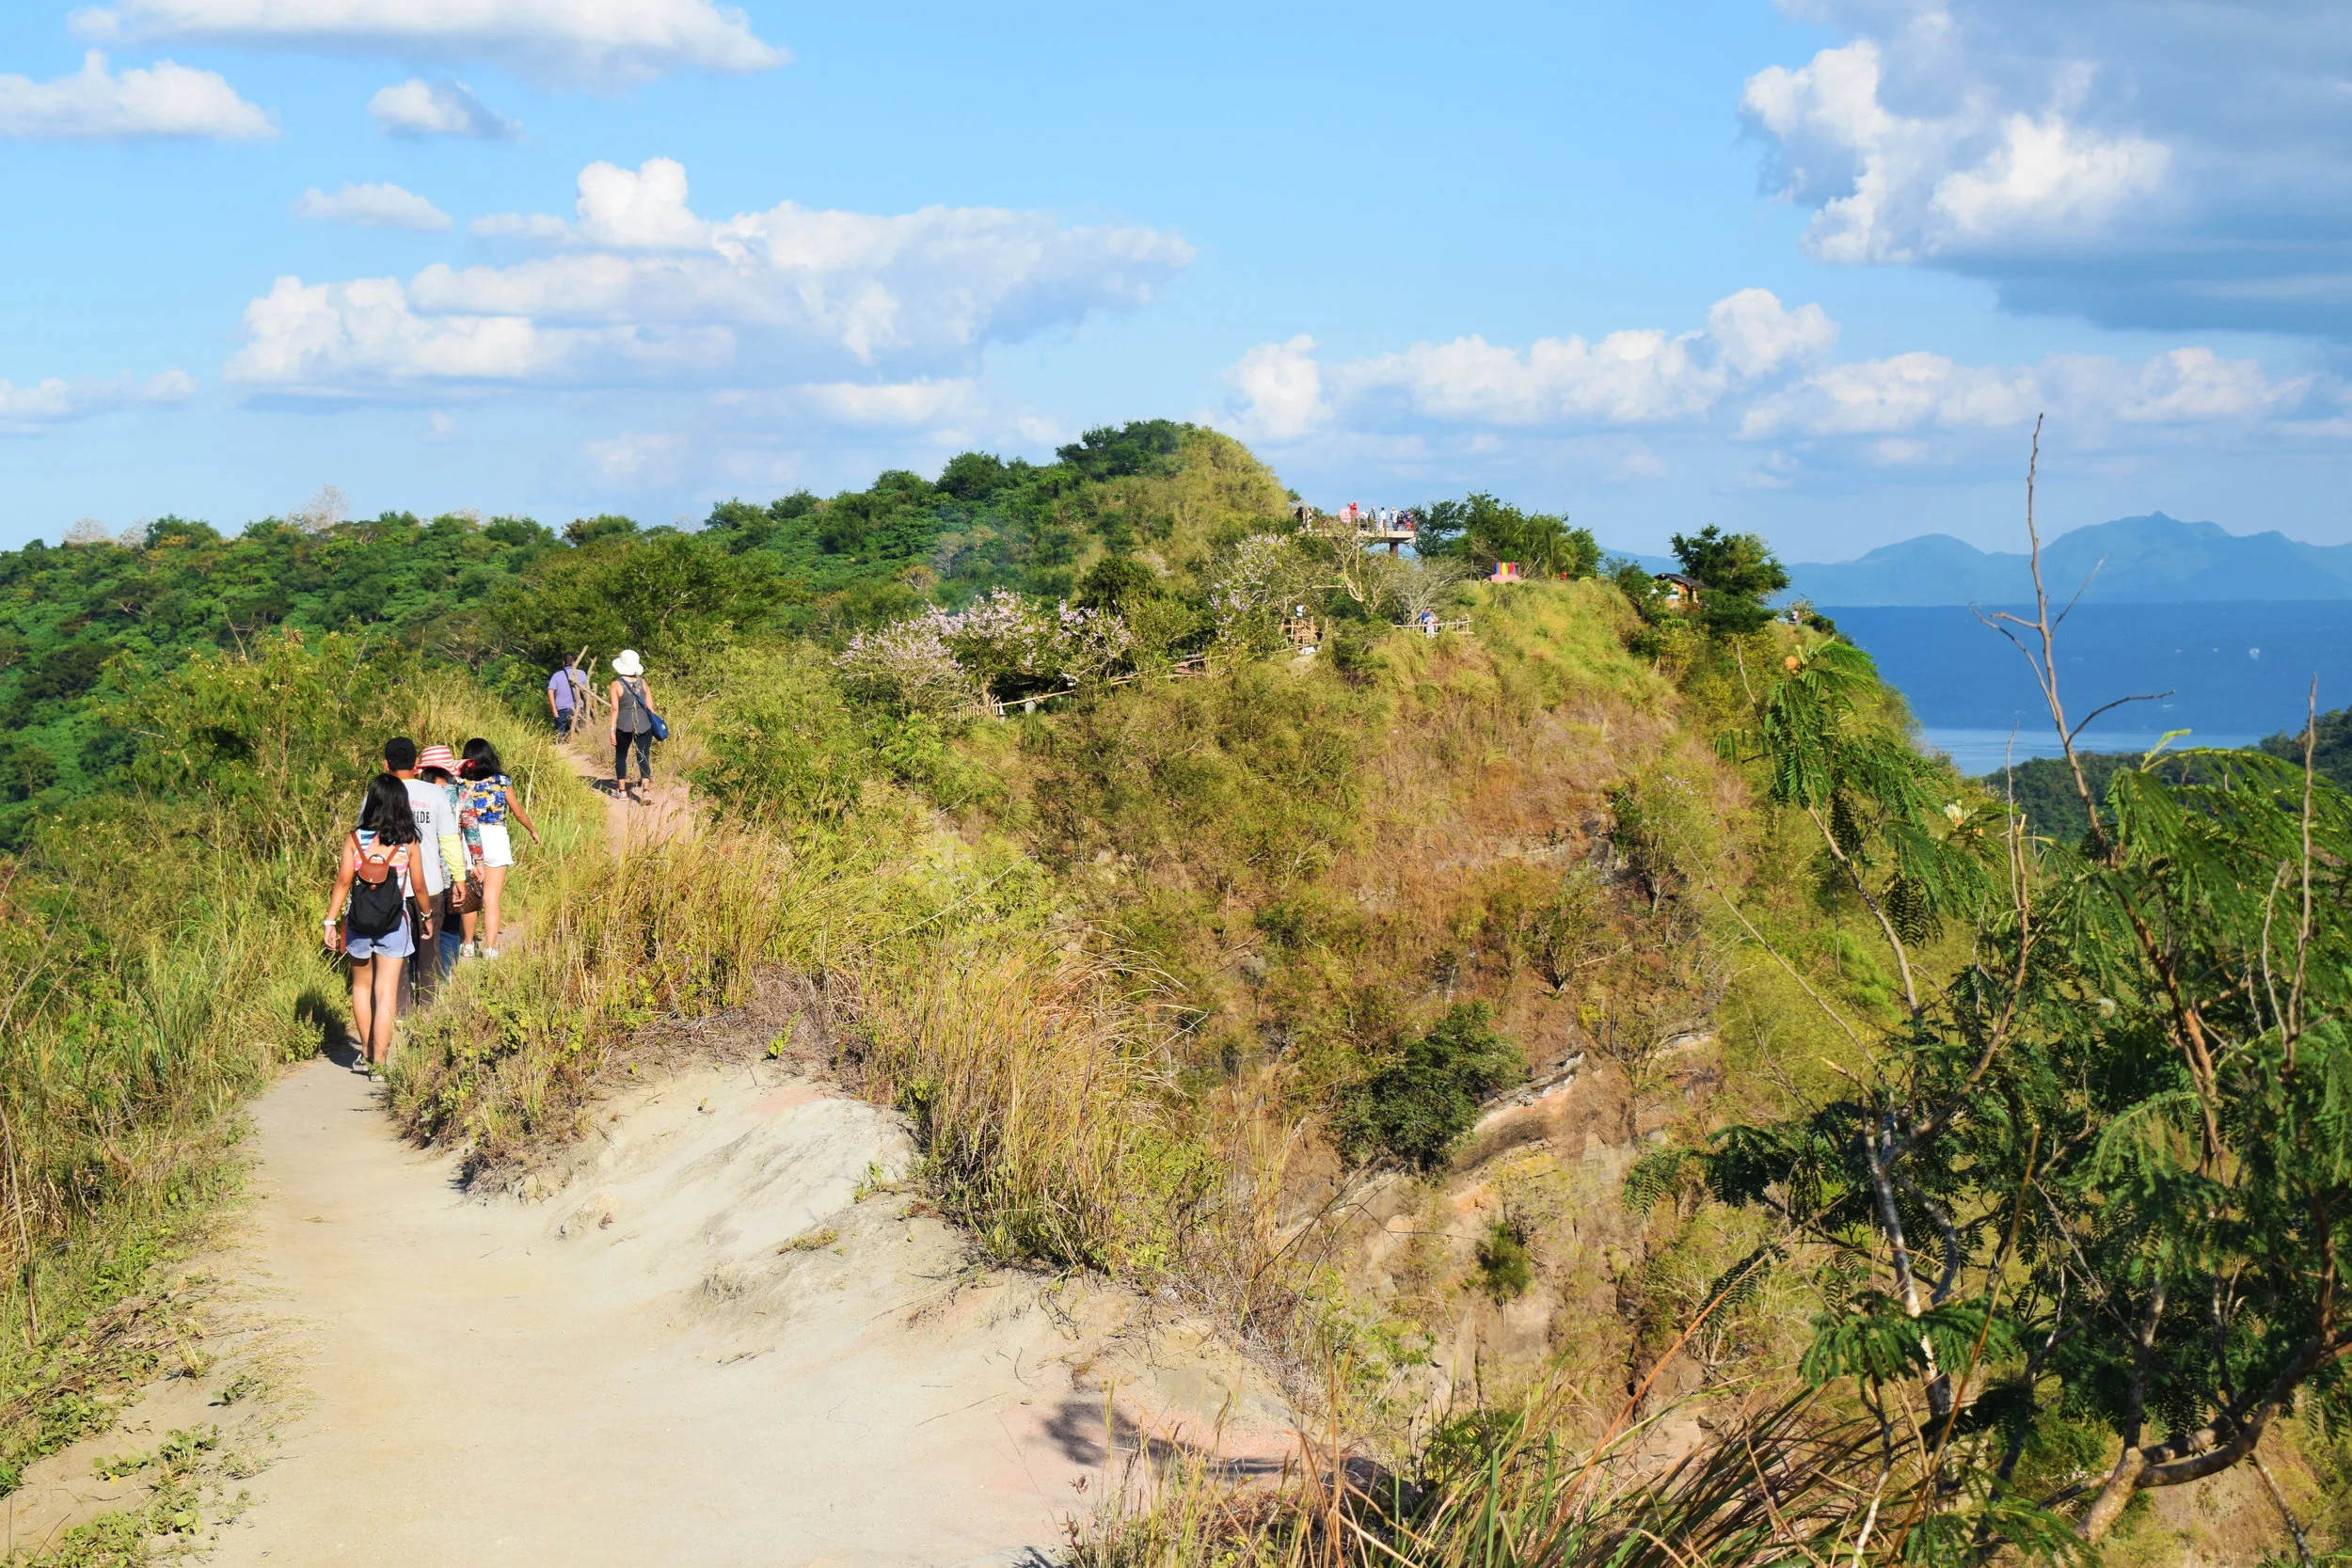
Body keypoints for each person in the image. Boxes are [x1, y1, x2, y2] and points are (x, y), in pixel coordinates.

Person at [326, 773, 431, 1077]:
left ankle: (366, 1054)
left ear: (371, 802)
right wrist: (425, 917)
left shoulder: (355, 839)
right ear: (401, 804)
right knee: (386, 992)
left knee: (361, 987)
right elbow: (421, 888)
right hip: (393, 924)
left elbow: (343, 882)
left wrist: (330, 922)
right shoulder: (407, 842)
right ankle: (380, 1064)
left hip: (358, 923)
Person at [384, 737, 457, 1004]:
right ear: (416, 764)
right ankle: (428, 1006)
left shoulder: (377, 795)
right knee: (429, 947)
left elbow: (362, 840)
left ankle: (400, 1010)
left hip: (389, 887)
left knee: (396, 951)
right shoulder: (435, 794)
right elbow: (449, 840)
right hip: (431, 884)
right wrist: (458, 878)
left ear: (385, 764)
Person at [457, 738, 541, 959]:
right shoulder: (502, 782)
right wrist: (532, 830)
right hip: (496, 837)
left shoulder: (460, 783)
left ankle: (467, 944)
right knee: (492, 898)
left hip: (469, 839)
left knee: (471, 895)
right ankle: (491, 948)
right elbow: (518, 812)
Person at [418, 744, 469, 975]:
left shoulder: (418, 795)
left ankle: (421, 977)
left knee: (425, 929)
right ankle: (446, 977)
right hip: (453, 867)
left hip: (422, 871)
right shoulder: (460, 793)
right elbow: (472, 831)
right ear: (448, 770)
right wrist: (476, 864)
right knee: (449, 929)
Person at [609, 649, 659, 800]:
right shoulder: (643, 683)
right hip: (644, 724)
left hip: (624, 725)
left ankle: (622, 791)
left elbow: (615, 709)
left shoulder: (616, 685)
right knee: (643, 755)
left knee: (621, 756)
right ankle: (646, 792)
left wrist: (612, 729)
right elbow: (650, 708)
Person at [547, 657, 589, 737]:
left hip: (561, 710)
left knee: (561, 737)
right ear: (575, 662)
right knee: (579, 736)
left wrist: (554, 710)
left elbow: (550, 691)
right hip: (578, 708)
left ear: (563, 663)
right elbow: (586, 691)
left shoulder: (556, 675)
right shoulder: (582, 673)